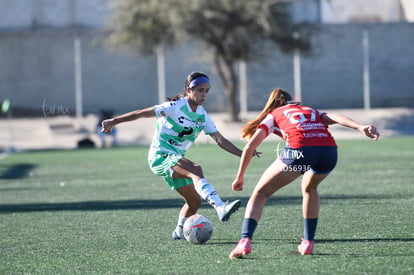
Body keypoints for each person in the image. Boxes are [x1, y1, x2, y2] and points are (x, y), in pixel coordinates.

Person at [101, 71, 258, 240]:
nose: (203, 94)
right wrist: (113, 121)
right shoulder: (174, 107)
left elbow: (220, 139)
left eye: (206, 90)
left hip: (175, 160)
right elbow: (140, 113)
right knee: (196, 169)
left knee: (194, 202)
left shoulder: (202, 115)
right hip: (160, 156)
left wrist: (244, 153)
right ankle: (220, 207)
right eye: (199, 90)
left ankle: (178, 232)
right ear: (188, 90)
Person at [229, 88, 379, 258]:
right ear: (291, 101)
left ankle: (244, 241)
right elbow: (334, 117)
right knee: (310, 188)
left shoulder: (275, 113)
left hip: (300, 152)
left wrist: (240, 176)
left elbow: (250, 146)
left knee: (261, 193)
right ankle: (308, 243)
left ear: (276, 103)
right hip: (329, 152)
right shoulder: (310, 110)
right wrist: (360, 127)